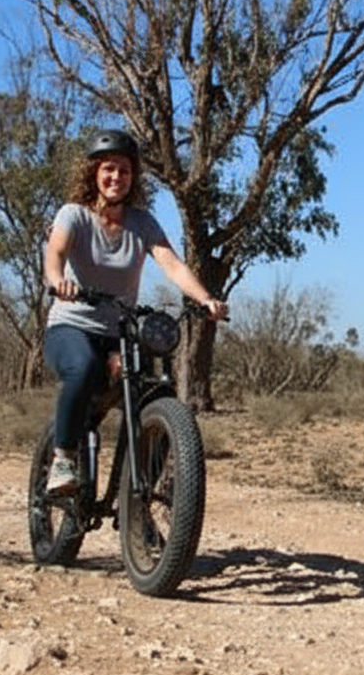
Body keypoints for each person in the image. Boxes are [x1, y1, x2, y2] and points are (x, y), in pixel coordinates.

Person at [43, 129, 227, 494]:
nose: (116, 178)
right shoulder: (74, 215)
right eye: (109, 169)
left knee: (157, 392)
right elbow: (56, 253)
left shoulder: (142, 223)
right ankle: (63, 458)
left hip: (119, 333)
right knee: (84, 367)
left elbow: (171, 263)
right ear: (94, 173)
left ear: (133, 177)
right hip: (71, 326)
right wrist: (57, 280)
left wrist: (205, 299)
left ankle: (137, 500)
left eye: (124, 171)